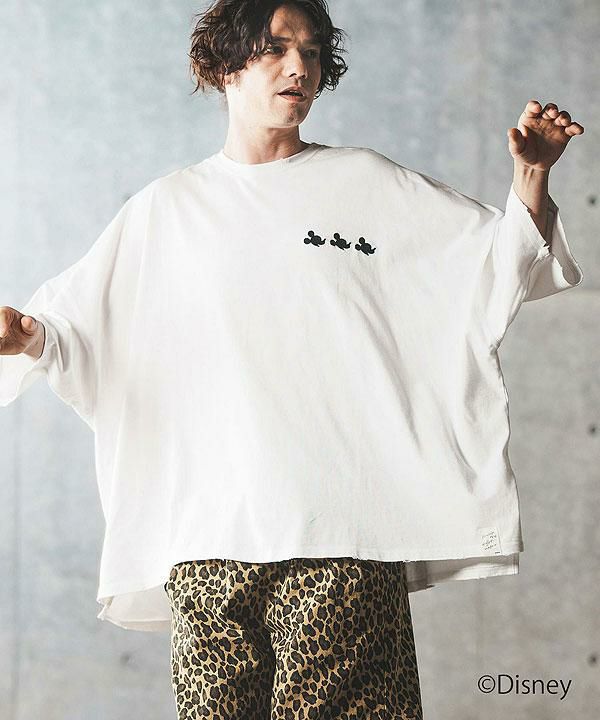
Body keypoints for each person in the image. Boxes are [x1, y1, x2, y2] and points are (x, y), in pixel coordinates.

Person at [0, 1, 585, 718]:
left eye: (310, 52)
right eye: (275, 48)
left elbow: (496, 266)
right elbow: (77, 331)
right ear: (223, 66)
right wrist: (28, 339)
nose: (298, 67)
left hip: (341, 536)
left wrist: (531, 176)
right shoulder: (167, 210)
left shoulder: (366, 185)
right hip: (208, 543)